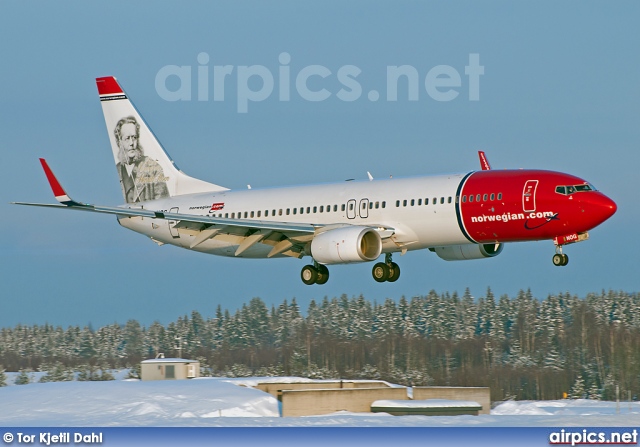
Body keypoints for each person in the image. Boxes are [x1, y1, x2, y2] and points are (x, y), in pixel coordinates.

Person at [113, 116, 169, 203]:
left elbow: (163, 204)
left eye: (134, 137)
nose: (132, 143)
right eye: (127, 138)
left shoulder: (153, 168)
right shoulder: (116, 171)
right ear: (119, 142)